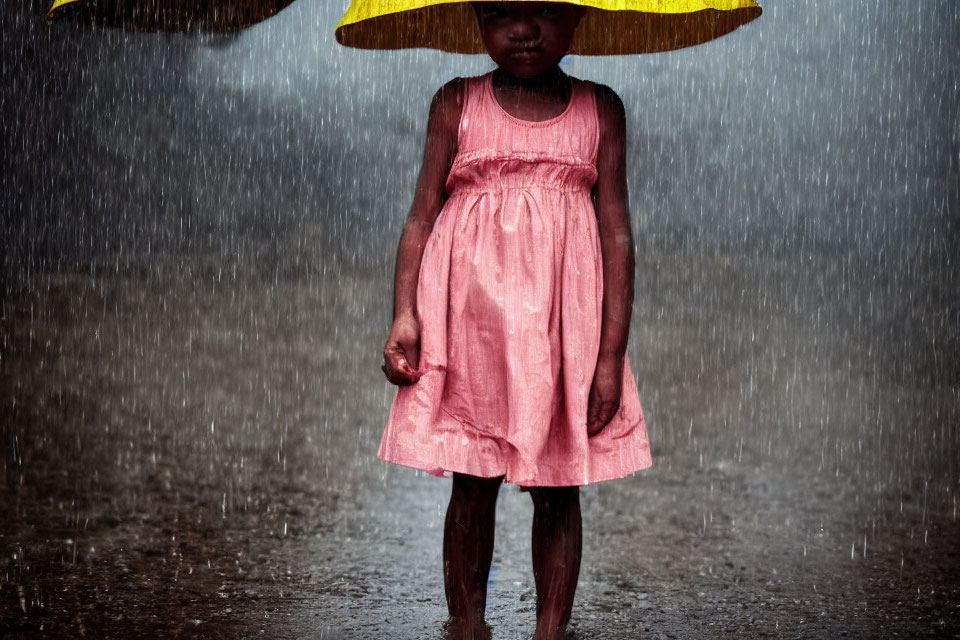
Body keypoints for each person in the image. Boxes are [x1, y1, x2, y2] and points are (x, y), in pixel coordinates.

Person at [378, 4, 651, 637]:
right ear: (476, 19)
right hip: (469, 324)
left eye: (543, 12)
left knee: (558, 484)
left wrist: (609, 357)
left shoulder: (600, 109)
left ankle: (550, 632)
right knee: (473, 483)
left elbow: (616, 233)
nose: (522, 30)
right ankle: (467, 626)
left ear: (577, 18)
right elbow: (422, 214)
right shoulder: (456, 103)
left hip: (559, 333)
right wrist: (405, 315)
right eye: (501, 13)